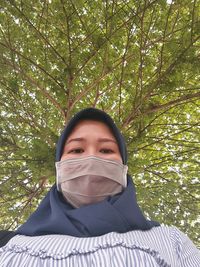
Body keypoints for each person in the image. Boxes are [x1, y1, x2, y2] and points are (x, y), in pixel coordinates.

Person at [0, 107, 199, 266]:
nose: (91, 158)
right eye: (77, 149)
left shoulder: (171, 241)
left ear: (124, 167)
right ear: (58, 167)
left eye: (106, 149)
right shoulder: (7, 244)